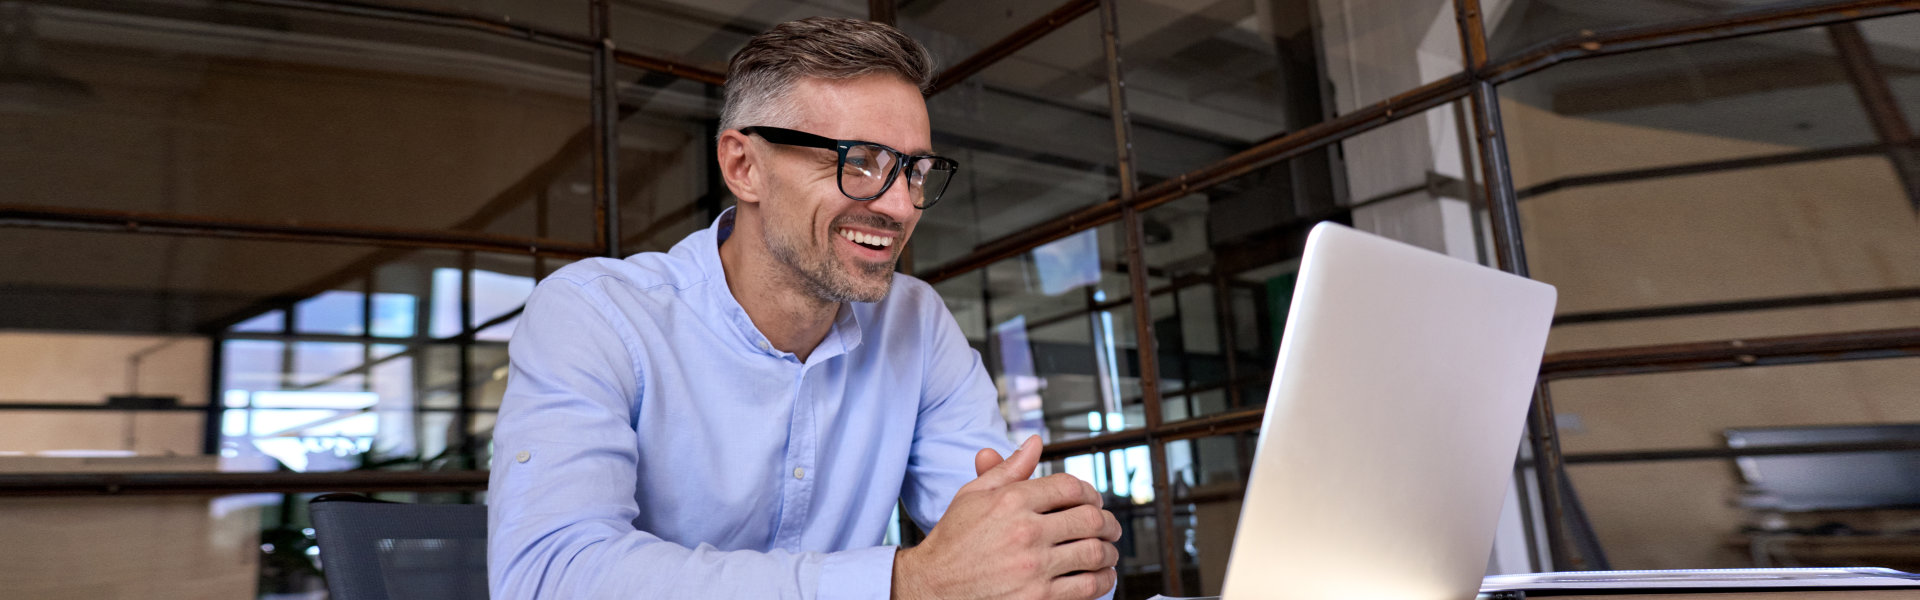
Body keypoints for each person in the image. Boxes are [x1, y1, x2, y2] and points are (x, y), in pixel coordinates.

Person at [487, 16, 1122, 600]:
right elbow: (549, 574)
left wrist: (1052, 550)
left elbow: (1009, 552)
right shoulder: (596, 314)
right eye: (860, 162)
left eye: (915, 170)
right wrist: (904, 583)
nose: (900, 207)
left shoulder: (916, 323)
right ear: (743, 166)